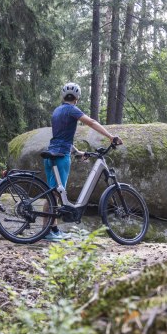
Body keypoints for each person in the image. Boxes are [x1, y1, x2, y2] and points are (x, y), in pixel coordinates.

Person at [43, 82, 122, 241]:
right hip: (61, 156)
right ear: (77, 98)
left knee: (54, 194)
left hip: (52, 153)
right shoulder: (72, 109)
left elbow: (61, 137)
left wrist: (77, 152)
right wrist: (110, 137)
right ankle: (47, 232)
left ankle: (52, 230)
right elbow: (92, 122)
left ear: (63, 96)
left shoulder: (57, 111)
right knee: (56, 194)